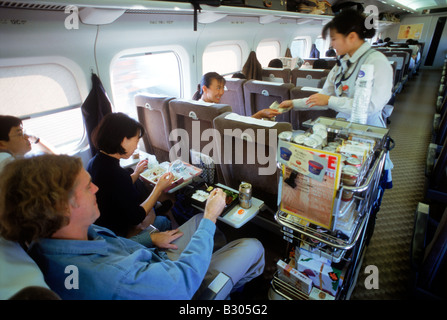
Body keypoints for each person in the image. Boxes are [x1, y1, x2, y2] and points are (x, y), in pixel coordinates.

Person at [0, 154, 265, 300]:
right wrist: (210, 216)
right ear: (61, 207)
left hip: (154, 263)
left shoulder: (59, 240)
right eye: (86, 186)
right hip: (182, 288)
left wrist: (149, 240)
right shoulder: (109, 278)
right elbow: (181, 283)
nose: (96, 188)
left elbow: (115, 247)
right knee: (252, 246)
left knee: (194, 224)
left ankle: (212, 265)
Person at [279, 9, 393, 128]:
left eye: (334, 39)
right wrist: (293, 103)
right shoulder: (342, 63)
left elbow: (370, 107)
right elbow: (323, 96)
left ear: (352, 37)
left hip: (368, 129)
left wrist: (330, 101)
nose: (332, 45)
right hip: (342, 125)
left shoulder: (377, 62)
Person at [86, 112, 174, 248]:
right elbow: (136, 217)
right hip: (118, 234)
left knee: (149, 204)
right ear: (123, 140)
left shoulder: (95, 162)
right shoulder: (116, 173)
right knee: (164, 221)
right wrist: (159, 188)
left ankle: (156, 209)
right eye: (136, 141)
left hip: (104, 222)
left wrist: (136, 173)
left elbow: (116, 189)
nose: (137, 146)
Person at [192, 72, 281, 119]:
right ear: (204, 89)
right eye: (218, 88)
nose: (222, 92)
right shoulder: (216, 110)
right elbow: (241, 123)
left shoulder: (195, 105)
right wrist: (261, 114)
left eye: (223, 88)